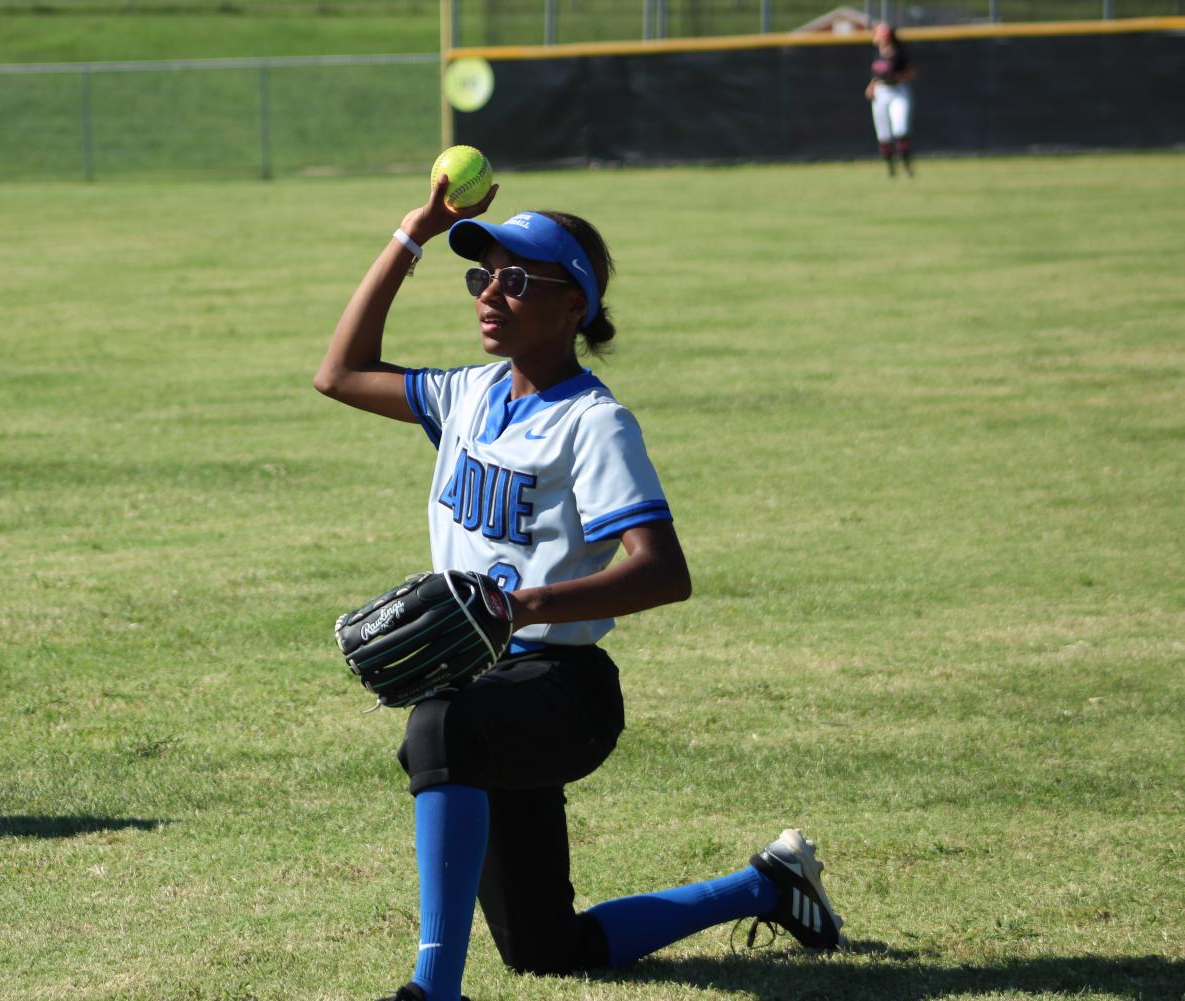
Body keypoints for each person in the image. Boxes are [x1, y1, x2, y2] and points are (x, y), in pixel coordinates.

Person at [314, 178, 848, 1001]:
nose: (492, 292)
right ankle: (769, 886)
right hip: (490, 683)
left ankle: (431, 990)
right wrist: (412, 235)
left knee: (440, 726)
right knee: (545, 948)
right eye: (483, 275)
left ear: (574, 307)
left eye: (518, 279)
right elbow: (340, 372)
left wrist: (518, 605)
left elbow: (664, 571)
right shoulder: (470, 394)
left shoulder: (593, 423)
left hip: (564, 691)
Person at [865, 23, 917, 177]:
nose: (877, 38)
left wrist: (897, 77)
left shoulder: (899, 53)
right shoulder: (877, 53)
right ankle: (890, 169)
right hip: (881, 93)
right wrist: (872, 85)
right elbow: (877, 75)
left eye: (880, 35)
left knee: (900, 129)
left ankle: (907, 167)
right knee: (883, 135)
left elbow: (911, 72)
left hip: (898, 91)